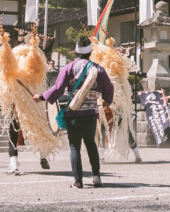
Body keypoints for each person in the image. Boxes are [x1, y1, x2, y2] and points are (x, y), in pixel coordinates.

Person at [40, 36, 115, 188]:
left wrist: (41, 96)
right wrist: (107, 100)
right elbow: (109, 89)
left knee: (74, 147)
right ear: (91, 51)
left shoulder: (68, 68)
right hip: (91, 114)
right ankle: (96, 177)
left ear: (76, 51)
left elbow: (58, 88)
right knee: (90, 143)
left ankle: (78, 181)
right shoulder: (99, 69)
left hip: (73, 114)